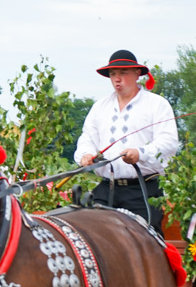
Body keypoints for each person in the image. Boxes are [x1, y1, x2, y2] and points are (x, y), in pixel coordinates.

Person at [74, 49, 179, 233]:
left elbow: (168, 142)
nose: (117, 79)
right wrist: (85, 155)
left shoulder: (157, 104)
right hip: (106, 189)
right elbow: (87, 138)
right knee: (87, 234)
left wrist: (141, 154)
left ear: (137, 74)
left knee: (146, 242)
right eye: (113, 74)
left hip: (143, 191)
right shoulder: (100, 107)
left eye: (123, 73)